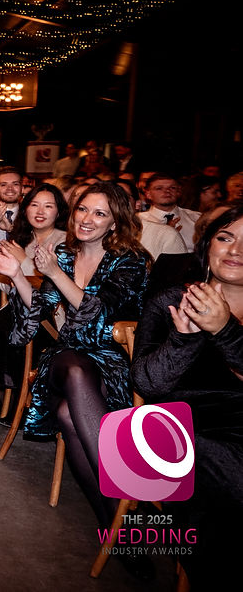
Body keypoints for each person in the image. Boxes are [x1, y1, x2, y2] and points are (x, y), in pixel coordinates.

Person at [0, 181, 152, 578]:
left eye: (99, 214)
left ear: (115, 223)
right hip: (65, 359)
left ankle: (118, 530)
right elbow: (39, 313)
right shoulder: (61, 253)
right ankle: (124, 492)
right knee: (73, 366)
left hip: (110, 360)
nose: (86, 220)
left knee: (68, 417)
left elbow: (97, 315)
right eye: (82, 210)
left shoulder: (129, 260)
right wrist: (18, 277)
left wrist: (53, 272)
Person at [130, 203, 243, 589]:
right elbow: (147, 384)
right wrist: (184, 340)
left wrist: (226, 329)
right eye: (225, 237)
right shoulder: (171, 301)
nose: (235, 250)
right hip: (180, 429)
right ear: (207, 246)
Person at [0, 184, 69, 433]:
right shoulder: (22, 239)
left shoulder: (64, 241)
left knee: (6, 333)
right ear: (25, 209)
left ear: (58, 212)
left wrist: (22, 263)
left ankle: (17, 402)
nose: (40, 211)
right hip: (18, 307)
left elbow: (52, 288)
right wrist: (12, 270)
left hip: (50, 315)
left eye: (48, 206)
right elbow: (6, 286)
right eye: (34, 205)